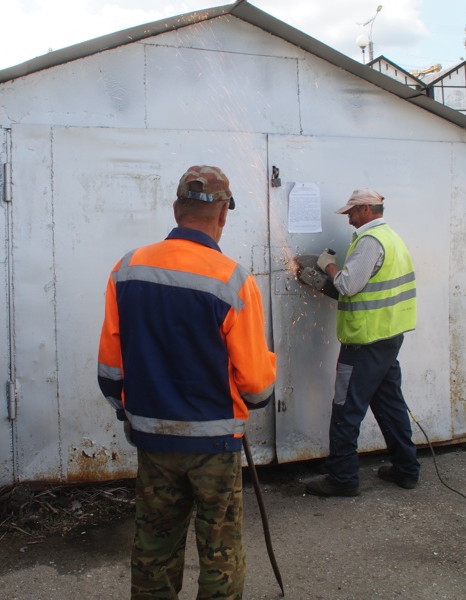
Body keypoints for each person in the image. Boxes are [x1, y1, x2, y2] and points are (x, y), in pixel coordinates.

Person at [98, 165, 277, 599]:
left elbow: (110, 370)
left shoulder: (127, 269)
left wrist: (132, 410)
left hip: (153, 441)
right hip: (214, 445)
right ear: (223, 215)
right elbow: (256, 386)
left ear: (177, 209)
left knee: (154, 546)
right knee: (220, 550)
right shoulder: (233, 280)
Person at [303, 188, 420, 497]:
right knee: (391, 406)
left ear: (368, 209)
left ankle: (342, 478)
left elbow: (346, 284)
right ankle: (407, 470)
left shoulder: (370, 242)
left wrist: (326, 264)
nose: (349, 219)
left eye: (352, 213)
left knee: (345, 410)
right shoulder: (391, 237)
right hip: (387, 337)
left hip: (364, 341)